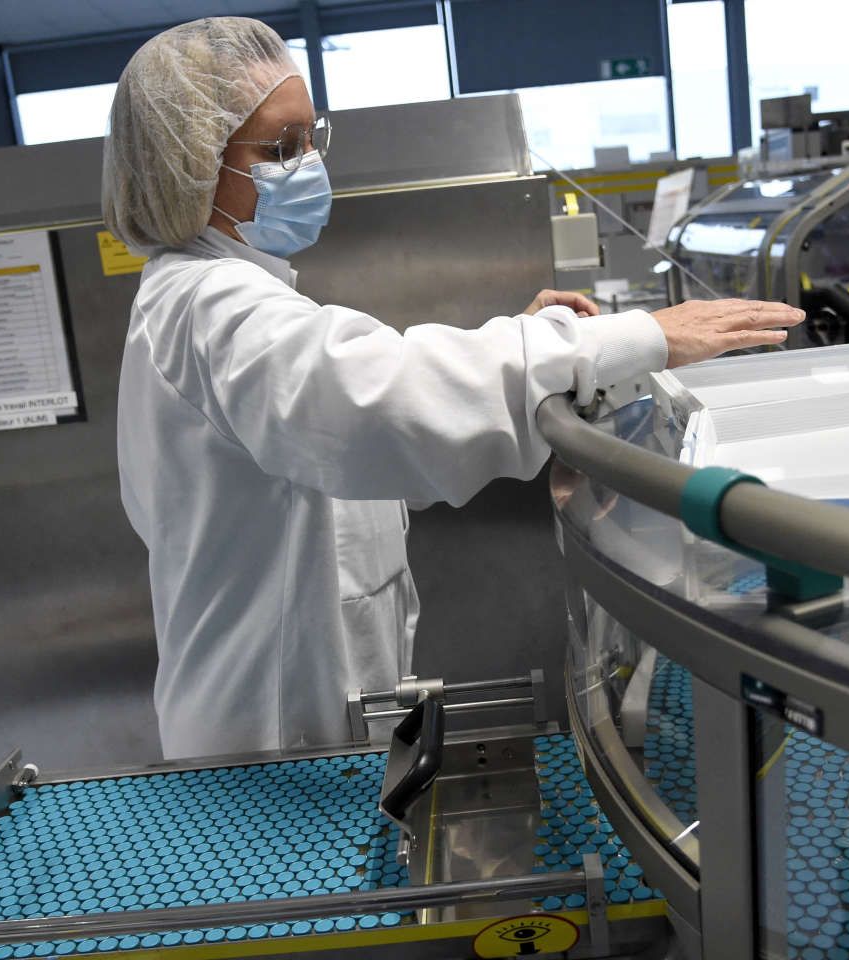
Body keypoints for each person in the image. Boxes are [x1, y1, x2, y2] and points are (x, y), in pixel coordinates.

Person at [102, 16, 804, 760]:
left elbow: (363, 455)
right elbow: (384, 405)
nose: (306, 164)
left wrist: (524, 347)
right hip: (263, 747)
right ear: (189, 164)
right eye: (279, 148)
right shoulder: (212, 307)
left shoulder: (230, 296)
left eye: (312, 139)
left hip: (307, 726)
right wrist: (634, 339)